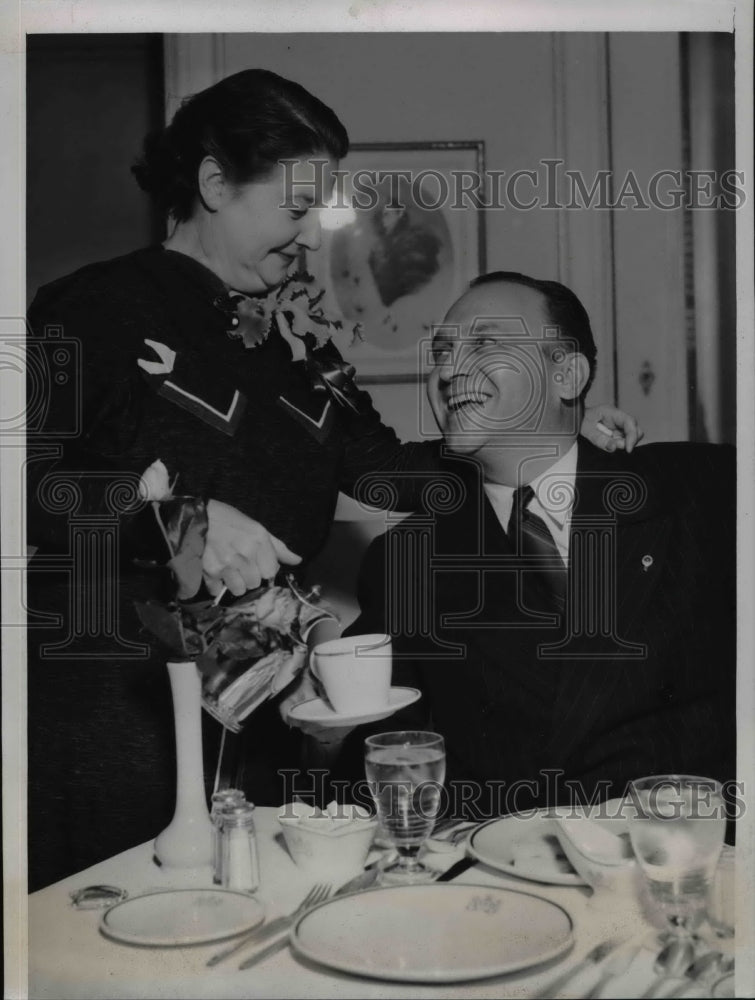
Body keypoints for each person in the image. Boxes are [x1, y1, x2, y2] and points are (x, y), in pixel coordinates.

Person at [26, 69, 639, 889]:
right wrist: (181, 524)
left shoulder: (297, 337)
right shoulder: (93, 308)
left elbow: (386, 471)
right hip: (116, 725)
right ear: (214, 184)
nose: (314, 238)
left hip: (270, 717)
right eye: (295, 209)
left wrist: (540, 435)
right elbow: (27, 483)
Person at [317, 271, 735, 817]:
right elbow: (377, 757)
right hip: (511, 878)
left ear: (566, 375)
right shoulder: (406, 561)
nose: (447, 370)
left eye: (485, 342)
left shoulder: (710, 490)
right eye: (442, 350)